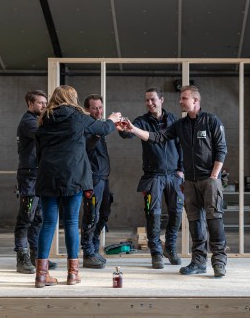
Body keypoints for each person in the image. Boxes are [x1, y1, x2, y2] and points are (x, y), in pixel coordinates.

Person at [123, 85, 228, 277]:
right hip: (189, 182)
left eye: (184, 98)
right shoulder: (180, 125)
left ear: (195, 101)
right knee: (195, 222)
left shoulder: (211, 121)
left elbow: (221, 149)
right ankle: (198, 262)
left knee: (214, 220)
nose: (180, 101)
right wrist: (133, 129)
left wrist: (214, 177)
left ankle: (219, 262)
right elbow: (157, 137)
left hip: (209, 180)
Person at [34, 85, 121, 288]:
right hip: (73, 175)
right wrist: (113, 119)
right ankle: (73, 274)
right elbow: (103, 128)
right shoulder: (77, 116)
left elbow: (39, 151)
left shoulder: (44, 119)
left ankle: (41, 275)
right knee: (72, 222)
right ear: (72, 98)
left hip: (48, 176)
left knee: (48, 223)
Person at [119, 87, 184, 269]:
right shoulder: (142, 121)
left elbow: (181, 146)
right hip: (153, 175)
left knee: (176, 212)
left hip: (174, 175)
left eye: (153, 99)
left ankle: (170, 247)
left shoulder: (173, 121)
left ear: (161, 100)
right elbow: (128, 133)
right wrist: (122, 129)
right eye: (147, 100)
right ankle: (156, 252)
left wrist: (182, 170)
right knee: (152, 214)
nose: (150, 103)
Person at [14, 90, 57, 274]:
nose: (44, 106)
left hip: (39, 175)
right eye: (40, 103)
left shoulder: (37, 120)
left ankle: (35, 254)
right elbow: (45, 135)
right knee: (26, 217)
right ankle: (21, 257)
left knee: (38, 217)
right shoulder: (28, 122)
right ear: (30, 103)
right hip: (29, 176)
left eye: (45, 102)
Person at [80, 94, 116, 269]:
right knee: (90, 215)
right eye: (94, 108)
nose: (98, 111)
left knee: (104, 213)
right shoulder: (87, 126)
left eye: (100, 107)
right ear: (87, 109)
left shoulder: (99, 127)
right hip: (92, 179)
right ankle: (87, 252)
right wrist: (98, 133)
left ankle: (94, 245)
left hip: (103, 178)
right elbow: (86, 147)